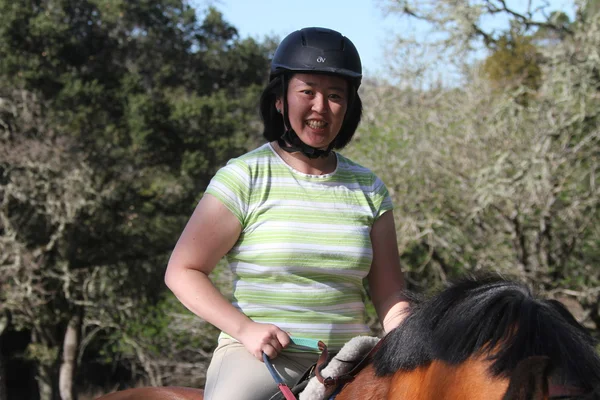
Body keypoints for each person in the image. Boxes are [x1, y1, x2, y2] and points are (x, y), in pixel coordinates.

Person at [164, 27, 410, 400]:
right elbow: (182, 271)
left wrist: (411, 341)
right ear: (280, 99)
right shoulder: (244, 175)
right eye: (307, 92)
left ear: (349, 107)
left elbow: (390, 294)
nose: (320, 107)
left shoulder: (369, 189)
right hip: (261, 359)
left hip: (351, 363)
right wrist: (244, 328)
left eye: (334, 96)